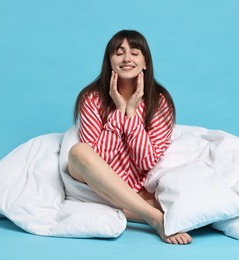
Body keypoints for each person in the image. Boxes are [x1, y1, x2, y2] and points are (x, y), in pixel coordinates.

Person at [68, 30, 192, 245]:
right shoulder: (92, 98)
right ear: (110, 62)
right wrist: (119, 111)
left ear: (145, 62)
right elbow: (97, 159)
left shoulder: (159, 101)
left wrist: (132, 113)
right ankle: (155, 219)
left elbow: (147, 162)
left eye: (134, 53)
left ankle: (129, 210)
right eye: (119, 53)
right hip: (91, 179)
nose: (127, 58)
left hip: (136, 187)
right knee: (79, 151)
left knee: (185, 206)